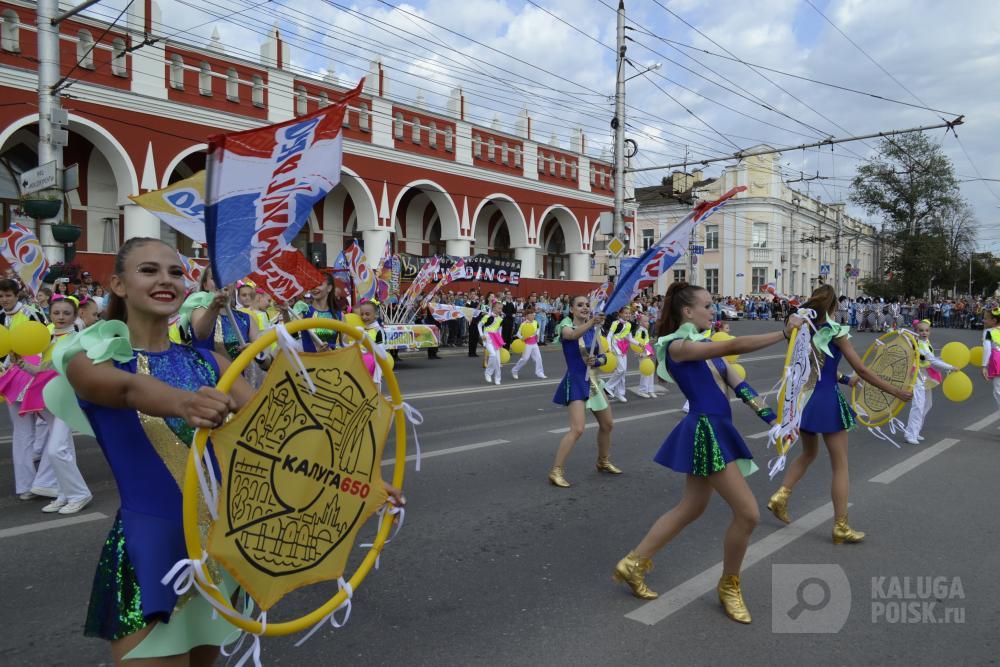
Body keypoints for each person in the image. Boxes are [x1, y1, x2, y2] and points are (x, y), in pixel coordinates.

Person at [53, 238, 403, 664]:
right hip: (151, 554)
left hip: (220, 550)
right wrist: (184, 402)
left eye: (175, 272)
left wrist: (361, 484)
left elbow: (276, 439)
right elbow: (126, 391)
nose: (166, 279)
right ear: (118, 285)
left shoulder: (211, 364)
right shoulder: (93, 359)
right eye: (149, 270)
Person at [612, 283, 799, 623]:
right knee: (748, 514)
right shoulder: (679, 347)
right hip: (705, 431)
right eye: (708, 306)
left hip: (716, 429)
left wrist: (774, 421)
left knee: (691, 507)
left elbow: (741, 387)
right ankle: (729, 586)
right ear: (687, 312)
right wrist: (783, 333)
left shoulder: (703, 347)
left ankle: (633, 564)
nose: (713, 312)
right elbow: (738, 344)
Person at [767, 285, 913, 544]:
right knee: (840, 465)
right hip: (826, 401)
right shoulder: (835, 332)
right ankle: (841, 526)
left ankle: (781, 495)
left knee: (808, 453)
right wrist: (895, 391)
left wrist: (845, 380)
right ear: (834, 306)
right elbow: (863, 370)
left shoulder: (801, 328)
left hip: (805, 399)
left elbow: (815, 366)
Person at [20, 295, 92, 513]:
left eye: (66, 313)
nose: (61, 317)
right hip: (49, 397)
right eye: (56, 313)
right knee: (64, 447)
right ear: (49, 314)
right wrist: (22, 364)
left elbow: (75, 370)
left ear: (76, 316)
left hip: (67, 398)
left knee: (56, 449)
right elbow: (41, 371)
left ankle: (80, 493)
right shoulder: (47, 337)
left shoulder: (77, 340)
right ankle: (64, 493)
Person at [549, 295, 619, 487]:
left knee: (608, 424)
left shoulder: (594, 329)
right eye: (579, 305)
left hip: (594, 381)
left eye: (587, 305)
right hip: (576, 381)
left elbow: (606, 356)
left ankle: (603, 460)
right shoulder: (566, 324)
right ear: (571, 309)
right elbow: (570, 336)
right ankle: (556, 471)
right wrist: (592, 323)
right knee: (577, 429)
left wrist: (597, 361)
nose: (584, 308)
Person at [0, 279, 58, 500]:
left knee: (55, 429)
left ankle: (46, 480)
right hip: (12, 380)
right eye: (1, 296)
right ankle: (25, 485)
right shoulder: (0, 317)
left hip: (34, 376)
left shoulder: (32, 312)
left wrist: (41, 370)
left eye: (8, 295)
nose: (4, 299)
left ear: (17, 295)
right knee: (22, 433)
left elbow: (47, 338)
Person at [903, 319, 956, 445]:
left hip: (925, 374)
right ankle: (910, 433)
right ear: (916, 331)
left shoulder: (926, 342)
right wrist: (950, 367)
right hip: (917, 375)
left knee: (927, 404)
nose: (924, 333)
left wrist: (945, 360)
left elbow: (931, 359)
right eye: (921, 330)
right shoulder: (919, 344)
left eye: (926, 330)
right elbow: (932, 361)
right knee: (918, 404)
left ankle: (915, 430)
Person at [604, 308, 634, 403]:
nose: (628, 315)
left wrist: (639, 344)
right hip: (615, 347)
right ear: (620, 314)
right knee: (621, 369)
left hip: (623, 347)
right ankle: (608, 386)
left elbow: (630, 338)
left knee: (623, 372)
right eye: (625, 313)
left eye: (629, 313)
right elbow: (609, 335)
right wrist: (609, 347)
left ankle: (619, 392)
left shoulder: (629, 325)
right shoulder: (615, 323)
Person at [511, 307, 545, 380]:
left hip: (534, 343)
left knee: (538, 358)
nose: (533, 316)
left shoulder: (536, 322)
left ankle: (540, 372)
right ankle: (514, 371)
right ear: (527, 316)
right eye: (531, 315)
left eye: (533, 315)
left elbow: (538, 329)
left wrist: (537, 334)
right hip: (527, 344)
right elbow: (518, 333)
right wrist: (522, 337)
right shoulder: (523, 324)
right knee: (525, 359)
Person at [479, 300, 505, 385]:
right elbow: (479, 325)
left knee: (498, 361)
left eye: (501, 308)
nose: (500, 310)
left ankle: (498, 378)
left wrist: (500, 341)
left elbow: (500, 330)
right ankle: (488, 373)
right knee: (493, 355)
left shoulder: (500, 319)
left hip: (496, 339)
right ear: (494, 308)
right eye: (498, 308)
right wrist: (481, 334)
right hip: (488, 339)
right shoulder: (487, 316)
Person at [634, 311, 656, 398]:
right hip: (642, 354)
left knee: (650, 370)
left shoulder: (645, 331)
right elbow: (637, 343)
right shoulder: (640, 332)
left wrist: (649, 351)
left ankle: (650, 390)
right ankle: (642, 390)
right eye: (646, 321)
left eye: (648, 321)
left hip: (646, 353)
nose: (648, 323)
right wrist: (639, 353)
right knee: (645, 372)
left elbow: (646, 343)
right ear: (640, 322)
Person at [982, 307, 1000, 410]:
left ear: (994, 320)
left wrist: (984, 365)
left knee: (997, 390)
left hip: (998, 360)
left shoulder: (988, 331)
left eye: (985, 318)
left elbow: (987, 348)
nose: (983, 320)